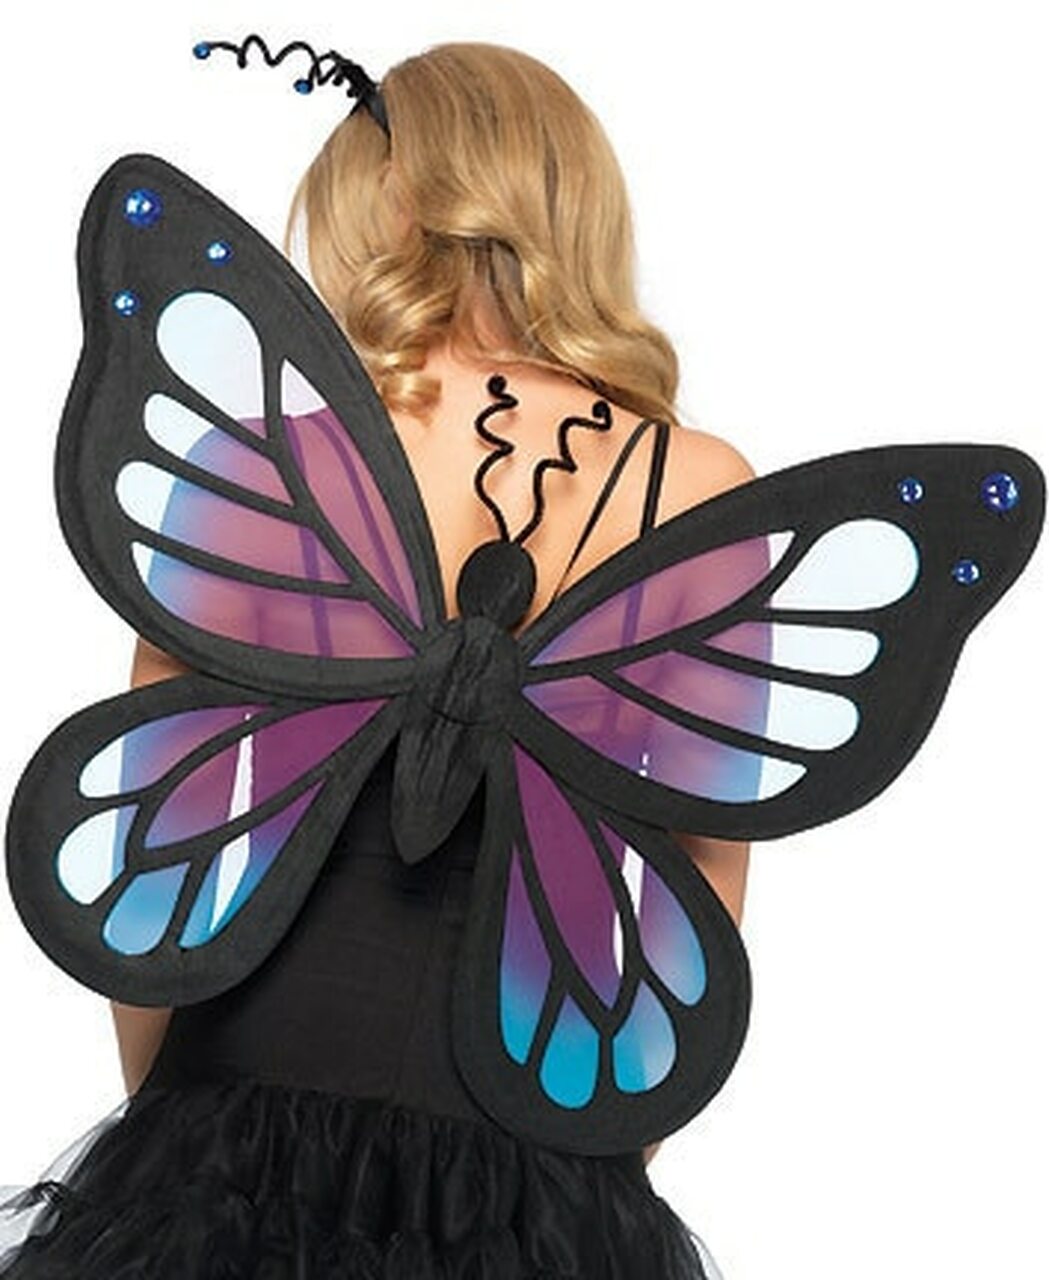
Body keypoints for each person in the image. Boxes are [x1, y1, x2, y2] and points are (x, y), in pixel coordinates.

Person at [0, 38, 753, 1278]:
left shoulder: (259, 461)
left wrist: (174, 1118)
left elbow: (154, 831)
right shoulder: (698, 492)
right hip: (535, 1103)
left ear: (392, 200)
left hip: (240, 1077)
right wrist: (595, 1166)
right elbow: (704, 889)